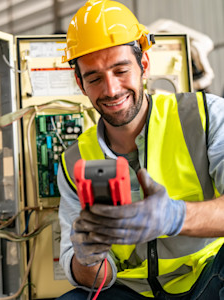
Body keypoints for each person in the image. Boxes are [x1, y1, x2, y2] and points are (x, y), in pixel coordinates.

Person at [57, 0, 224, 299]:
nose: (111, 89)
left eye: (121, 70)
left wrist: (175, 217)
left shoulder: (204, 116)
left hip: (207, 277)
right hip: (131, 291)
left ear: (144, 64)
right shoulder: (75, 161)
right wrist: (88, 256)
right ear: (80, 84)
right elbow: (96, 278)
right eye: (94, 78)